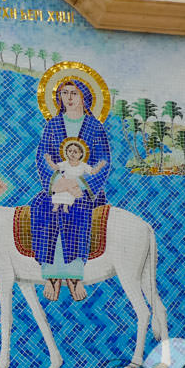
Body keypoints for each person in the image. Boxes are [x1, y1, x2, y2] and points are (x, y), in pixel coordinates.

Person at [29, 78, 110, 303]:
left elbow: (103, 160)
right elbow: (43, 156)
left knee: (78, 210)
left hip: (83, 190)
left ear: (84, 97)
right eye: (64, 93)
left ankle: (74, 275)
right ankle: (51, 275)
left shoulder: (95, 127)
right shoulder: (53, 125)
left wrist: (80, 185)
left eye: (74, 93)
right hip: (57, 187)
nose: (69, 97)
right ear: (59, 97)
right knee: (42, 206)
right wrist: (57, 182)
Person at [44, 140, 107, 212]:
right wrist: (49, 161)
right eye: (70, 151)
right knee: (60, 192)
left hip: (74, 184)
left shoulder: (83, 165)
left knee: (70, 193)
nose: (72, 153)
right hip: (64, 182)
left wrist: (100, 166)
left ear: (81, 154)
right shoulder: (65, 163)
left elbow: (92, 172)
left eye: (75, 152)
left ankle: (65, 206)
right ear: (66, 152)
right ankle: (56, 205)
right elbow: (56, 167)